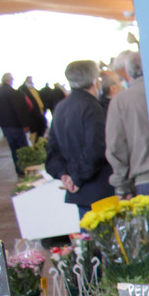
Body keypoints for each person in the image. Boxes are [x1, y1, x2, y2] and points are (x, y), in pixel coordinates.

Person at [46, 61, 115, 216]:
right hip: (99, 190)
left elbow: (52, 148)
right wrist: (77, 178)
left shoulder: (61, 107)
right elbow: (96, 149)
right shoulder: (92, 107)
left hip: (80, 192)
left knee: (89, 236)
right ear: (94, 80)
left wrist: (64, 174)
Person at [105, 51, 149, 198]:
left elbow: (116, 146)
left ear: (128, 72)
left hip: (146, 180)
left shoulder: (121, 101)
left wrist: (121, 185)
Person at [0, 73, 30, 176]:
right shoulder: (14, 93)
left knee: (13, 148)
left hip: (5, 125)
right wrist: (24, 124)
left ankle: (18, 169)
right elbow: (18, 110)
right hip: (15, 124)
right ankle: (26, 168)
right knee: (22, 148)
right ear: (10, 80)